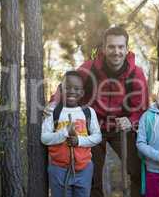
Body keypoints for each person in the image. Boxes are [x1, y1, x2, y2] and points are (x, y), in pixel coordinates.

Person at [51, 26, 149, 196]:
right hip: (92, 127)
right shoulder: (89, 68)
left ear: (127, 49)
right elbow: (65, 87)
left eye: (120, 47)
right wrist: (53, 105)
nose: (116, 51)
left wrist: (131, 121)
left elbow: (142, 109)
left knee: (138, 170)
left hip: (121, 128)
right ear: (104, 48)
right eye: (111, 47)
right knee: (92, 176)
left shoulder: (136, 74)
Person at [41, 71, 102, 197]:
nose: (72, 91)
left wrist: (79, 141)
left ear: (82, 92)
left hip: (84, 169)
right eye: (67, 88)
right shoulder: (53, 112)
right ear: (61, 90)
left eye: (76, 88)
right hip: (58, 169)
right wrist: (63, 134)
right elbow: (44, 138)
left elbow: (97, 137)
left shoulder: (88, 112)